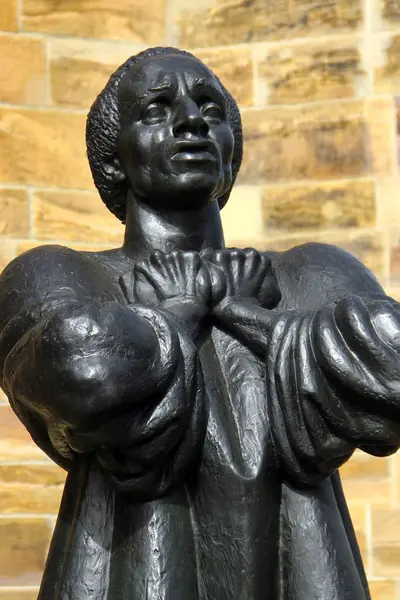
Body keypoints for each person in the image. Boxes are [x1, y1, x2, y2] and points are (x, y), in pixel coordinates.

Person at [0, 46, 399, 600]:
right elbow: (79, 371)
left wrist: (244, 315)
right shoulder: (62, 273)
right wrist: (177, 315)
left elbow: (393, 370)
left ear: (232, 156)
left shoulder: (309, 273)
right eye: (158, 109)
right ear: (115, 158)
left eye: (210, 109)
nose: (191, 121)